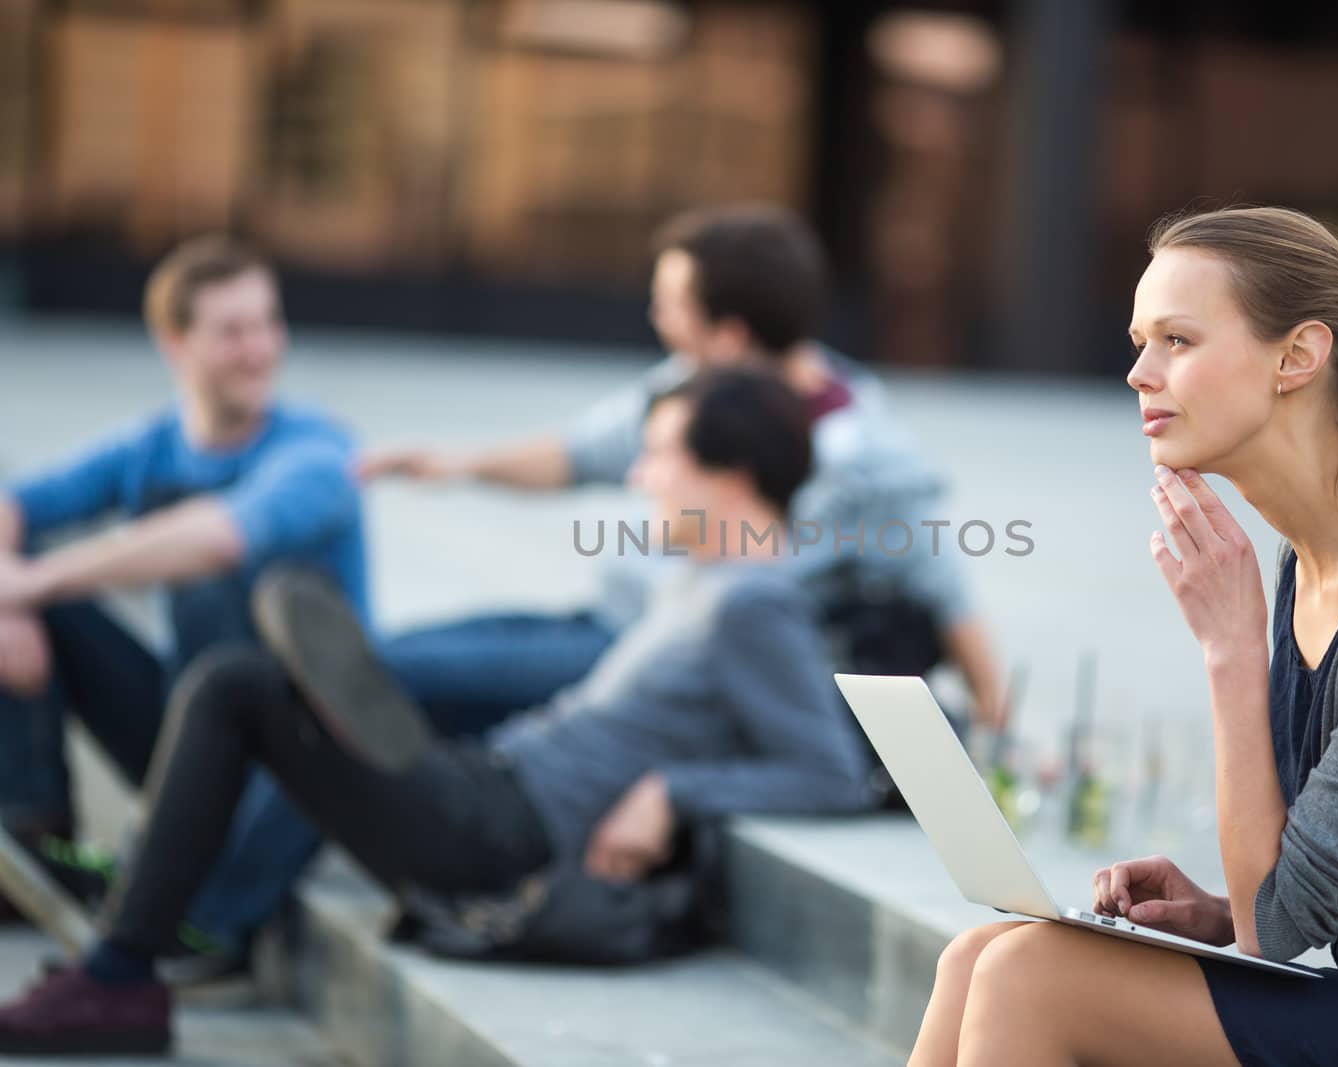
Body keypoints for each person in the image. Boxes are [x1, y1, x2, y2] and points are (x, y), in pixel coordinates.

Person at [0, 368, 874, 1056]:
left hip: (505, 836)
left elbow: (826, 767)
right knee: (251, 683)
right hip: (493, 784)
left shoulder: (755, 602)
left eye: (661, 456)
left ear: (735, 476)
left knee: (236, 686)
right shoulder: (705, 579)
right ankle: (139, 943)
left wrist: (671, 791)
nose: (640, 476)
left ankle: (119, 971)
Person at [909, 206, 1338, 1065]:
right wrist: (1215, 908)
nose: (1137, 373)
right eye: (1139, 340)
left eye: (1177, 341)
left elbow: (1275, 932)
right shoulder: (1311, 559)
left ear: (1297, 357)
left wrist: (1232, 647)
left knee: (1029, 975)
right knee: (978, 954)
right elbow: (1290, 900)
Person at [363, 202, 1006, 732]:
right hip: (603, 622)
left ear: (728, 336)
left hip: (655, 664)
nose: (656, 319)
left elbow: (945, 593)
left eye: (670, 305)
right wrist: (453, 465)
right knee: (373, 666)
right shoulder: (687, 387)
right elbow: (577, 454)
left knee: (377, 679)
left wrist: (996, 727)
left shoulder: (866, 455)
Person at [0, 235, 369, 957]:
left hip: (296, 756)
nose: (259, 348)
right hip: (187, 727)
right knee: (24, 589)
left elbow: (220, 537)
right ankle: (38, 838)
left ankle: (199, 890)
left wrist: (31, 581)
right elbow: (16, 501)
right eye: (233, 331)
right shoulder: (152, 445)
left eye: (268, 323)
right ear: (176, 343)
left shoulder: (320, 452)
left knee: (183, 584)